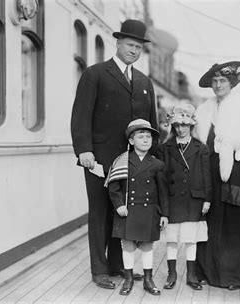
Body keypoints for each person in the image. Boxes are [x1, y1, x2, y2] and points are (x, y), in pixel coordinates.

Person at [70, 19, 157, 289]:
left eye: (138, 47)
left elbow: (151, 123)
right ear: (117, 43)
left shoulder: (143, 81)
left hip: (132, 162)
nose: (134, 51)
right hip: (99, 161)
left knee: (124, 213)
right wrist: (84, 150)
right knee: (100, 213)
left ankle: (118, 264)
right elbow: (80, 116)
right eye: (130, 45)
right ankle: (99, 270)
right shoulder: (95, 74)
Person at [192, 61, 240, 290]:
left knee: (234, 223)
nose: (218, 85)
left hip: (235, 171)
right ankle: (207, 273)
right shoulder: (204, 111)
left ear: (231, 83)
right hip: (209, 171)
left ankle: (233, 276)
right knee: (209, 221)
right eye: (214, 81)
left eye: (222, 81)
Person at [105, 119, 169, 296]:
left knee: (148, 246)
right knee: (128, 246)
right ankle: (128, 279)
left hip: (149, 211)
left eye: (148, 136)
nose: (146, 140)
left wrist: (164, 214)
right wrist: (118, 205)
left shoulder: (157, 164)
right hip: (128, 211)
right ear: (131, 141)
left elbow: (163, 192)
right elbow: (114, 187)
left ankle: (148, 280)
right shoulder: (122, 162)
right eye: (141, 137)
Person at [156, 103, 212, 291]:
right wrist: (163, 206)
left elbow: (206, 176)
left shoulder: (201, 148)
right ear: (173, 126)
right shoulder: (165, 148)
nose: (181, 129)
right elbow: (162, 179)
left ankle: (192, 275)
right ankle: (172, 274)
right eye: (177, 125)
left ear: (191, 126)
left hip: (193, 199)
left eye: (185, 125)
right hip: (172, 200)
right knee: (172, 239)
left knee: (190, 239)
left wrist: (207, 199)